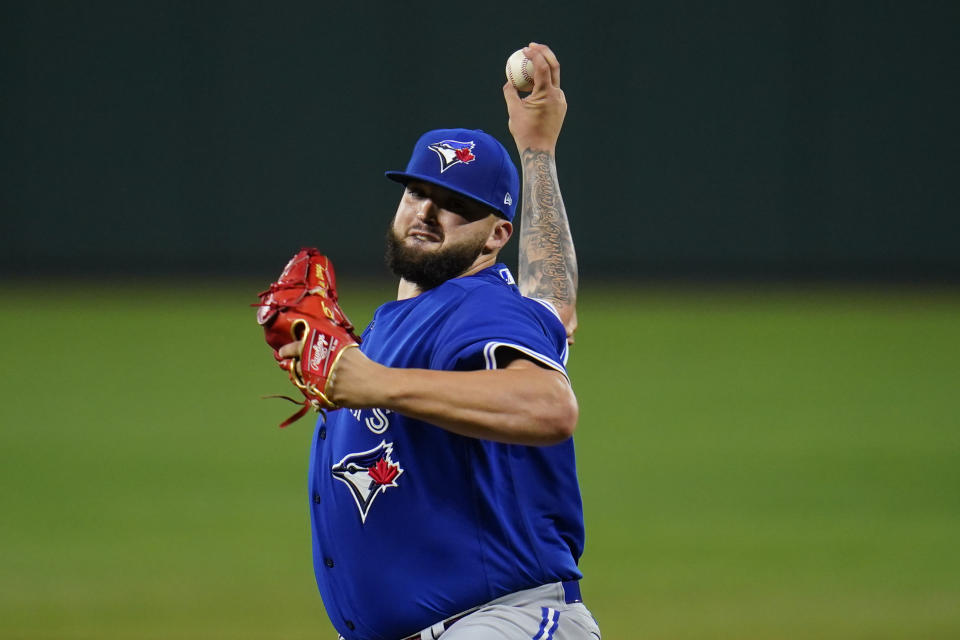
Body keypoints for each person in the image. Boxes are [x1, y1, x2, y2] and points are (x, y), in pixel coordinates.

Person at [278, 43, 600, 640]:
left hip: (499, 622)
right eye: (417, 193)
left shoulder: (474, 307)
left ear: (495, 235)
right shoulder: (409, 322)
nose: (427, 211)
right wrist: (536, 152)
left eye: (456, 206)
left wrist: (370, 382)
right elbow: (552, 305)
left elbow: (550, 405)